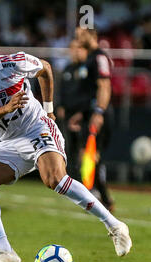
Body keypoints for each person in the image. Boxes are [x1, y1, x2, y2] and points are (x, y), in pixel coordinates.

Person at [0, 29, 131, 262]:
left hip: (37, 129)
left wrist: (48, 110)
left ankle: (115, 226)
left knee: (54, 179)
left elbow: (45, 68)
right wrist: (7, 107)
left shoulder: (12, 64)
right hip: (10, 142)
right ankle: (5, 251)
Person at [73, 26, 115, 211]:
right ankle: (101, 198)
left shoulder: (99, 57)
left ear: (92, 35)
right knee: (87, 156)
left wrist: (99, 112)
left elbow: (104, 86)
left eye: (81, 35)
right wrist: (81, 114)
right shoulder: (88, 58)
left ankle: (101, 198)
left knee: (90, 156)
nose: (78, 39)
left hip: (97, 114)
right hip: (88, 114)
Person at [56, 39, 89, 179]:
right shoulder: (67, 69)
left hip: (84, 115)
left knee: (85, 149)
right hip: (68, 115)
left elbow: (89, 93)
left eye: (78, 48)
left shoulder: (87, 69)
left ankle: (87, 181)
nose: (75, 51)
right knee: (68, 148)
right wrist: (60, 106)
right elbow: (62, 90)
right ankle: (70, 178)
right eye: (73, 48)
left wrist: (82, 113)